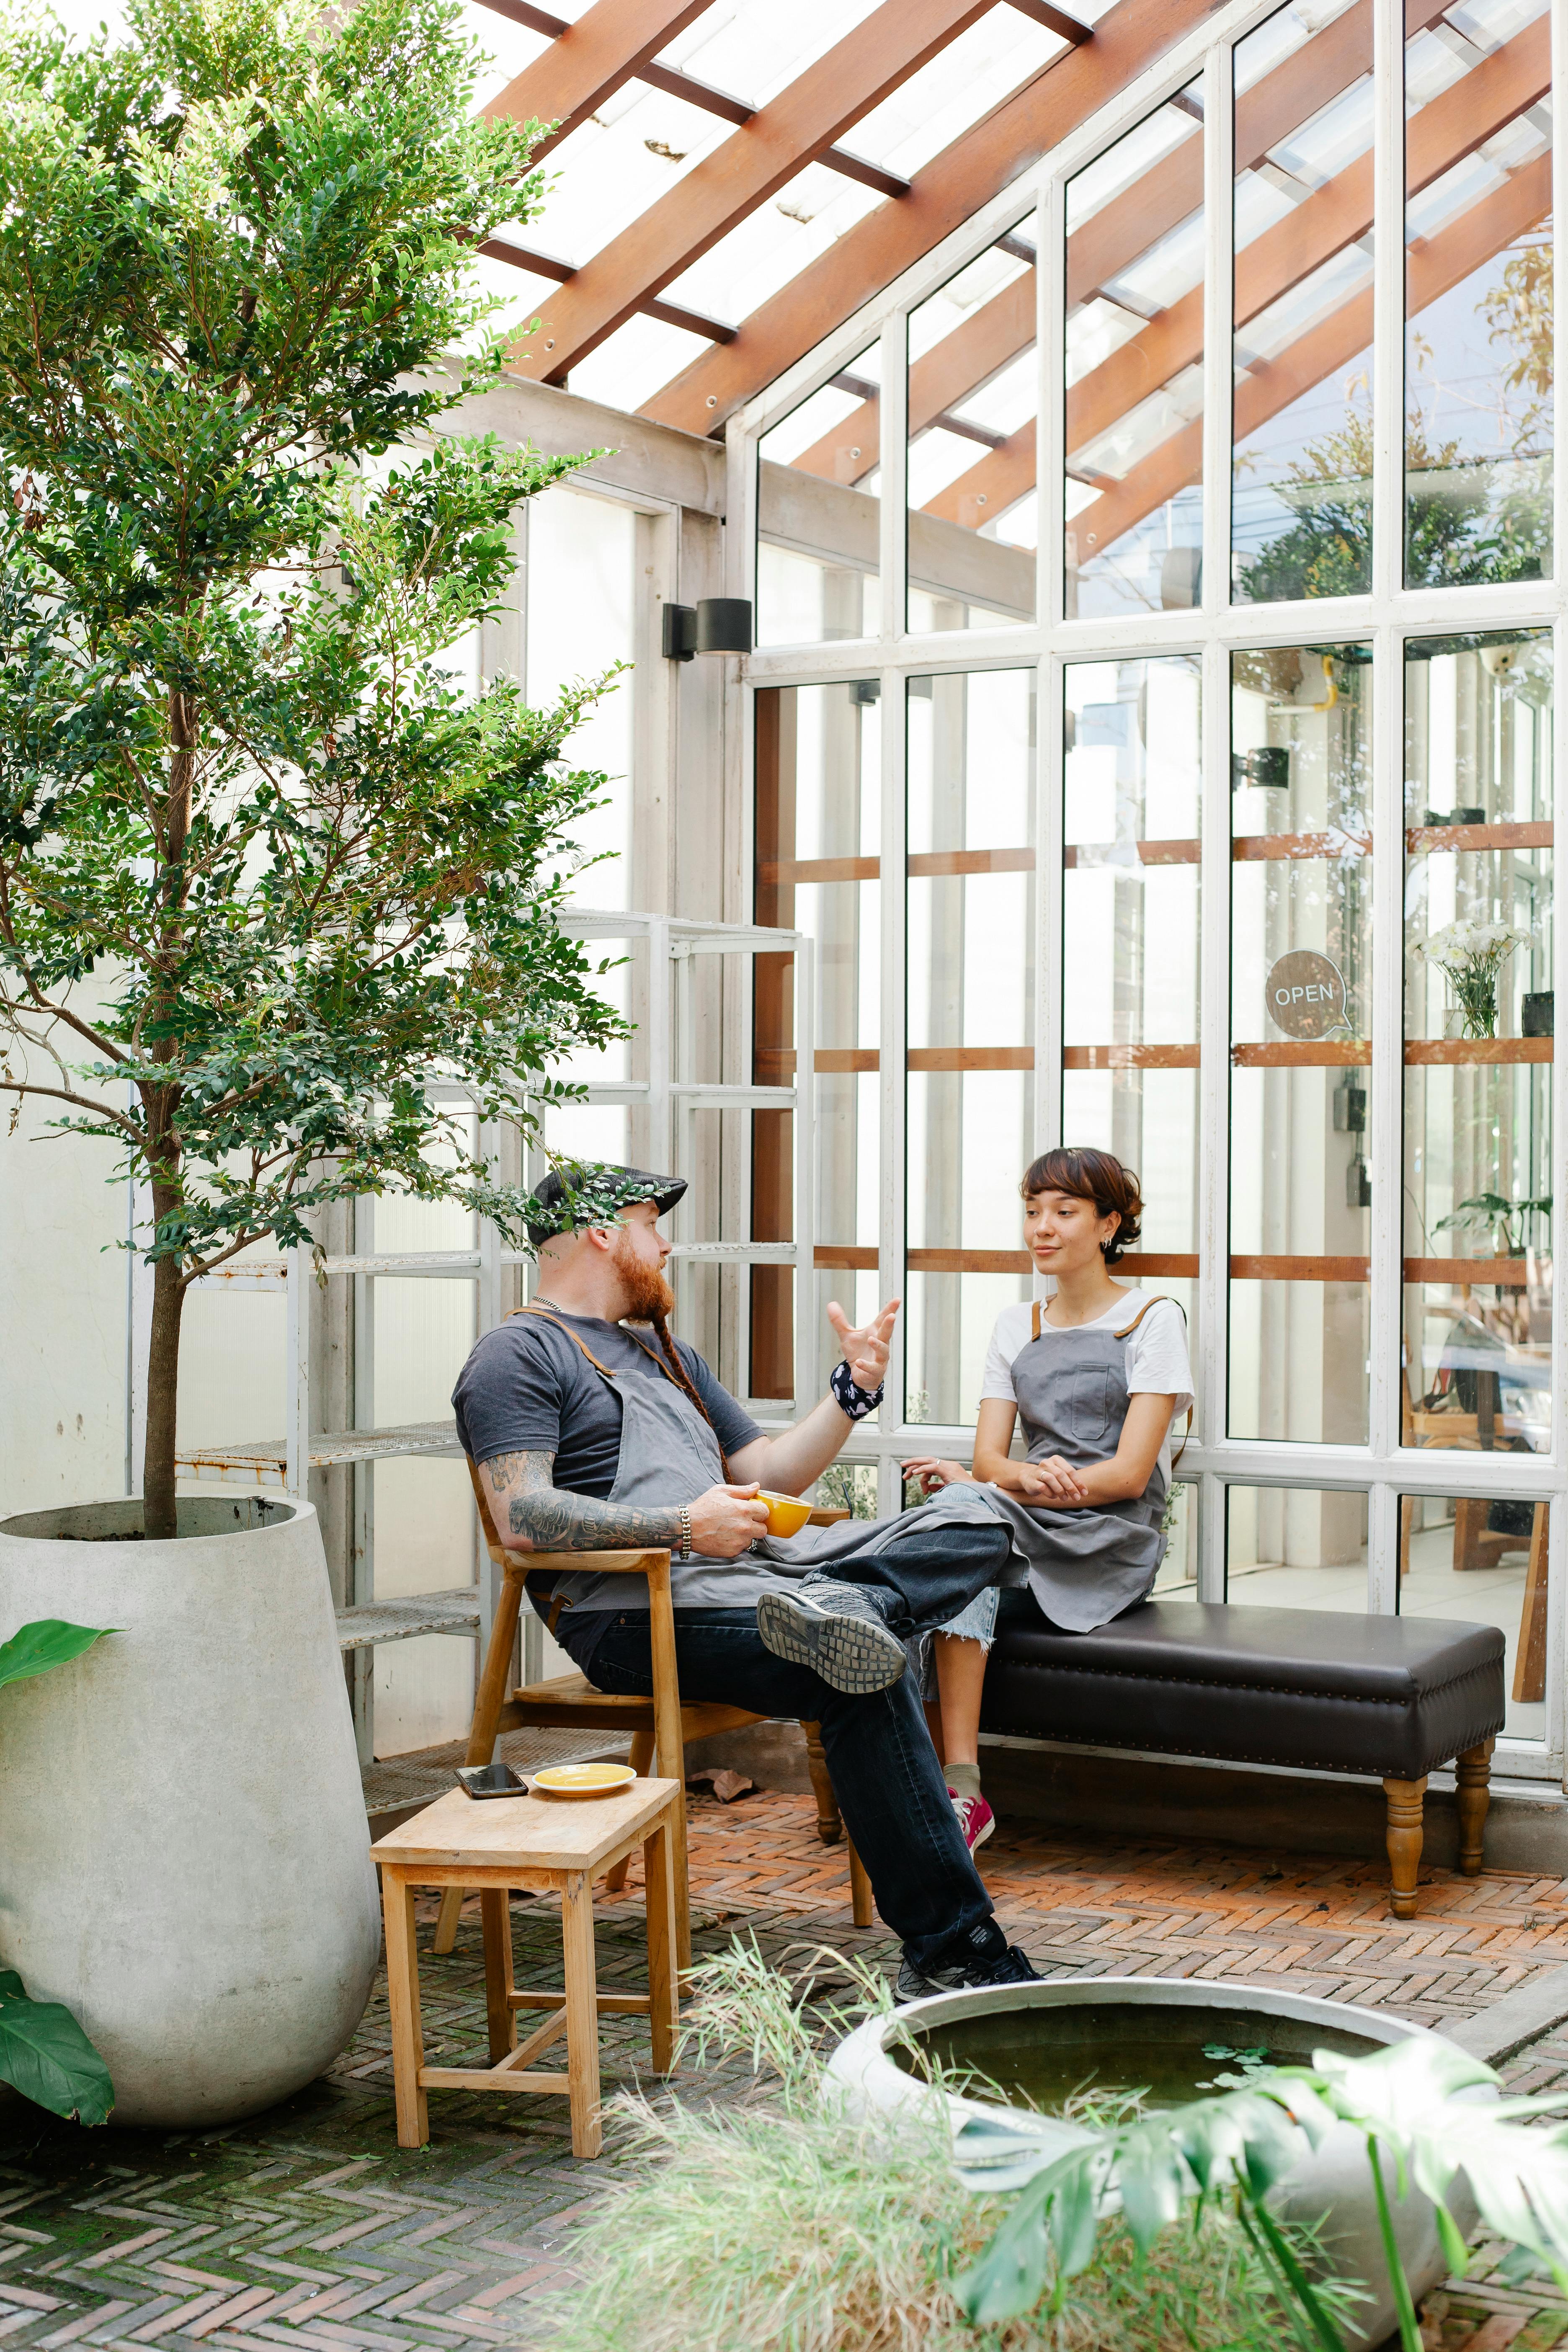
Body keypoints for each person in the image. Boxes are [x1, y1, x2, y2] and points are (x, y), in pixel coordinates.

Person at [451, 1161, 1039, 1999]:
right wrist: (684, 1526)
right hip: (635, 1609)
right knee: (856, 1665)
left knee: (980, 1510)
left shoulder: (666, 1353)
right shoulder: (517, 1355)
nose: (667, 1245)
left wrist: (854, 1392)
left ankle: (850, 1602)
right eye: (652, 1226)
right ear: (601, 1233)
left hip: (766, 1579)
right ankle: (958, 1951)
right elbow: (522, 1516)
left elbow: (770, 1472)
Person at [903, 1148, 1191, 1855]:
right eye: (1033, 1212)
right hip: (1021, 1524)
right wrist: (1015, 1483)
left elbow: (1128, 1476)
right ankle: (960, 1791)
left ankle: (941, 1785)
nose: (1043, 1227)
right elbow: (991, 1458)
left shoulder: (1153, 1320)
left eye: (1064, 1212)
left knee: (955, 1528)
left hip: (1108, 1541)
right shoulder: (1017, 1324)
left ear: (1108, 1225)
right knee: (954, 1544)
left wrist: (1009, 1486)